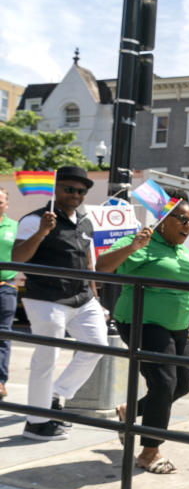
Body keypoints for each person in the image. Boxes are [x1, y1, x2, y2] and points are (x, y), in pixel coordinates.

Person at [96, 191, 189, 474]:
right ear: (164, 221)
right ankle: (150, 452)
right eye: (183, 220)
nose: (188, 227)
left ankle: (129, 412)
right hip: (142, 322)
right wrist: (133, 246)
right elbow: (102, 267)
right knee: (163, 383)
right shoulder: (142, 240)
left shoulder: (183, 252)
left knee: (183, 383)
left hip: (177, 326)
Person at [13, 165, 108, 441]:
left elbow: (89, 263)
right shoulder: (33, 220)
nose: (75, 194)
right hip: (46, 298)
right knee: (47, 357)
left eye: (81, 190)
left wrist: (97, 299)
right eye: (69, 188)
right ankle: (36, 422)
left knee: (97, 345)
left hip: (82, 297)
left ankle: (57, 393)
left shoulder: (85, 221)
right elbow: (18, 259)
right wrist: (42, 232)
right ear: (56, 189)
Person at [0, 187, 17, 401]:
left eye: (0, 200)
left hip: (6, 286)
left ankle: (0, 381)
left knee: (3, 335)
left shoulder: (15, 226)